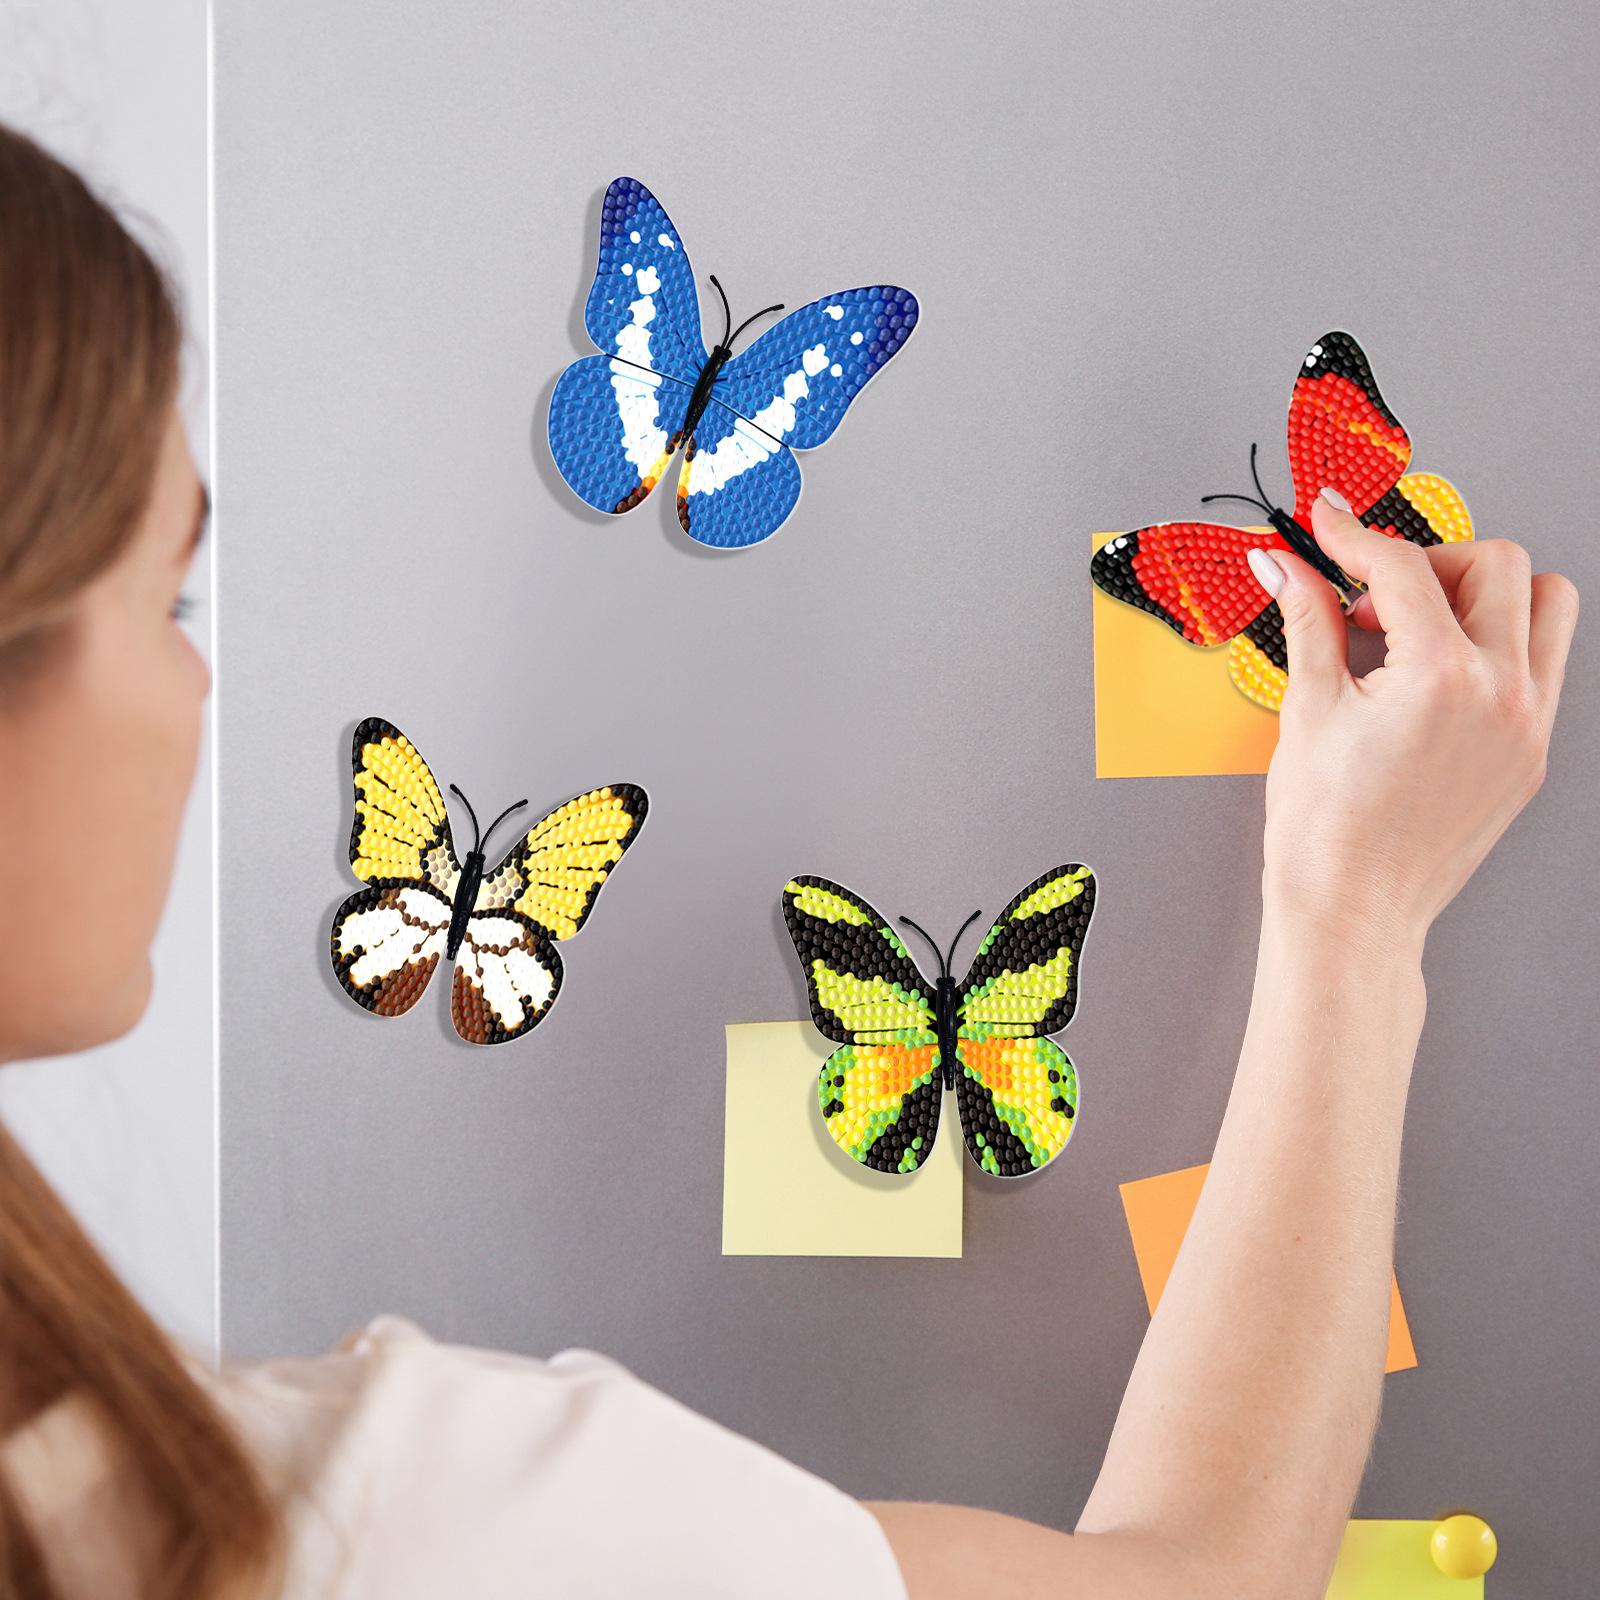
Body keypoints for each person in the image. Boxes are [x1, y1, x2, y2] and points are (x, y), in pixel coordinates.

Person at [0, 121, 1578, 1600]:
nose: (202, 682)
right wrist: (1358, 907)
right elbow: (1197, 1580)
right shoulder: (355, 1515)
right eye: (168, 600)